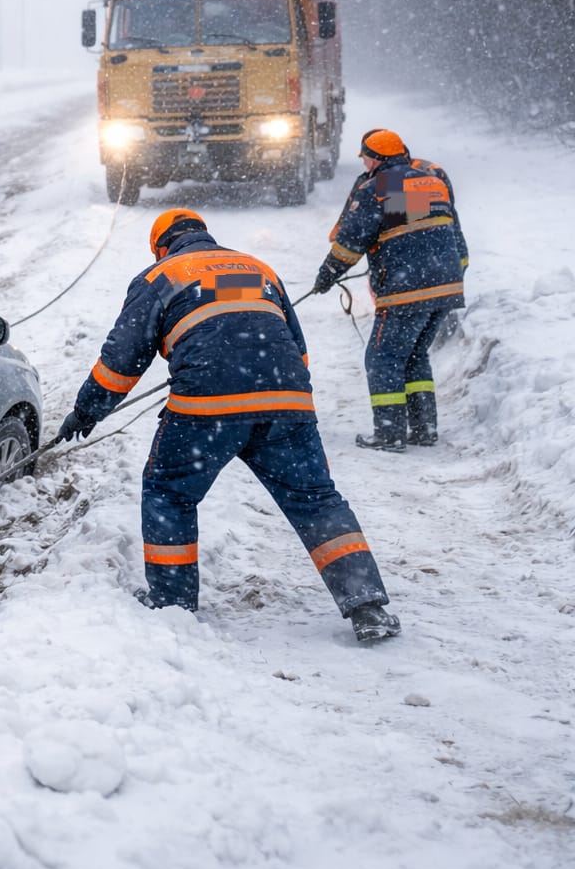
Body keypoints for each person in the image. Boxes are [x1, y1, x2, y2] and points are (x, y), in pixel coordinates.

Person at [59, 208, 401, 642]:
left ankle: (172, 603)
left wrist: (87, 410)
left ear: (162, 247)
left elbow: (121, 361)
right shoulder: (256, 271)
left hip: (207, 406)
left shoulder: (161, 275)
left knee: (169, 492)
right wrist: (283, 401)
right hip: (286, 398)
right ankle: (367, 606)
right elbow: (294, 349)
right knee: (316, 499)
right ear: (205, 235)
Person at [312, 129, 469, 451]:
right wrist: (454, 273)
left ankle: (389, 433)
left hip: (407, 289)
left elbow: (351, 243)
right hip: (446, 284)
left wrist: (326, 275)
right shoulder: (429, 182)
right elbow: (428, 230)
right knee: (413, 355)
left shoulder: (378, 188)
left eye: (366, 157)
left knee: (382, 358)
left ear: (376, 158)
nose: (364, 163)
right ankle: (424, 429)